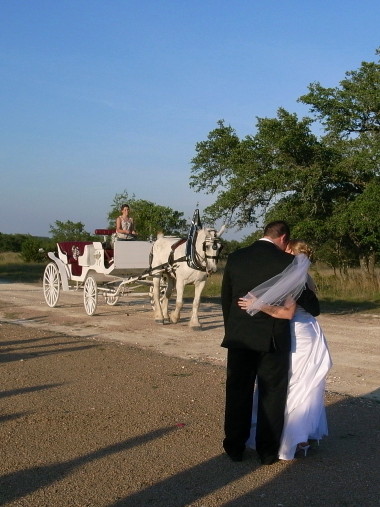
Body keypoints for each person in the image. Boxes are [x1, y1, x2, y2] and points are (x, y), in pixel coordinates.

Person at [221, 222, 320, 465]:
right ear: (284, 238)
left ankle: (235, 446)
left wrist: (232, 328)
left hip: (240, 336)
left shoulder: (236, 257)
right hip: (273, 339)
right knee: (272, 394)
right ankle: (267, 451)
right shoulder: (289, 262)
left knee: (238, 392)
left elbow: (226, 298)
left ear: (265, 234)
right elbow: (293, 304)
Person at [239, 239, 332, 460]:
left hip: (298, 335)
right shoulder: (306, 276)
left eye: (285, 250)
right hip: (309, 330)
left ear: (291, 253)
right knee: (305, 384)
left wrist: (257, 305)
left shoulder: (295, 278)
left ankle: (290, 438)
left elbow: (287, 313)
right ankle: (301, 435)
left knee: (293, 384)